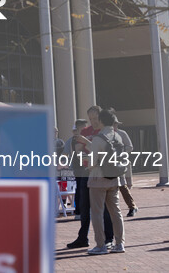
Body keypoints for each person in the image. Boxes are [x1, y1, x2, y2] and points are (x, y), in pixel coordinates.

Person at [77, 108, 125, 254]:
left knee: (97, 213)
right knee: (116, 211)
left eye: (97, 119)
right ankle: (119, 243)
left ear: (102, 120)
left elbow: (92, 161)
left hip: (98, 178)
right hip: (113, 178)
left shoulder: (99, 137)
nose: (95, 122)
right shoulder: (117, 136)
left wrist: (86, 161)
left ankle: (101, 245)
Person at [66, 106, 114, 249]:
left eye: (95, 118)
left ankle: (108, 238)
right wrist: (83, 151)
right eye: (90, 118)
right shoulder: (86, 131)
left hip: (101, 172)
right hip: (86, 171)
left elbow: (104, 151)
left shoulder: (105, 131)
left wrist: (87, 144)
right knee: (84, 205)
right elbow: (78, 150)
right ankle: (82, 237)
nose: (92, 121)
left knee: (104, 207)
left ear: (101, 117)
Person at [63, 119, 88, 217]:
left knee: (80, 189)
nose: (85, 130)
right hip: (80, 167)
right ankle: (80, 211)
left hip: (78, 167)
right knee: (82, 189)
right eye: (83, 128)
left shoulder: (73, 140)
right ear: (77, 129)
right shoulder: (75, 140)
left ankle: (79, 211)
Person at [113, 116, 138, 217]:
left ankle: (132, 206)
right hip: (108, 163)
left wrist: (120, 152)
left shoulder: (122, 133)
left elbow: (130, 147)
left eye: (115, 124)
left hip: (120, 162)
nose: (114, 125)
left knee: (122, 185)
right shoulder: (105, 134)